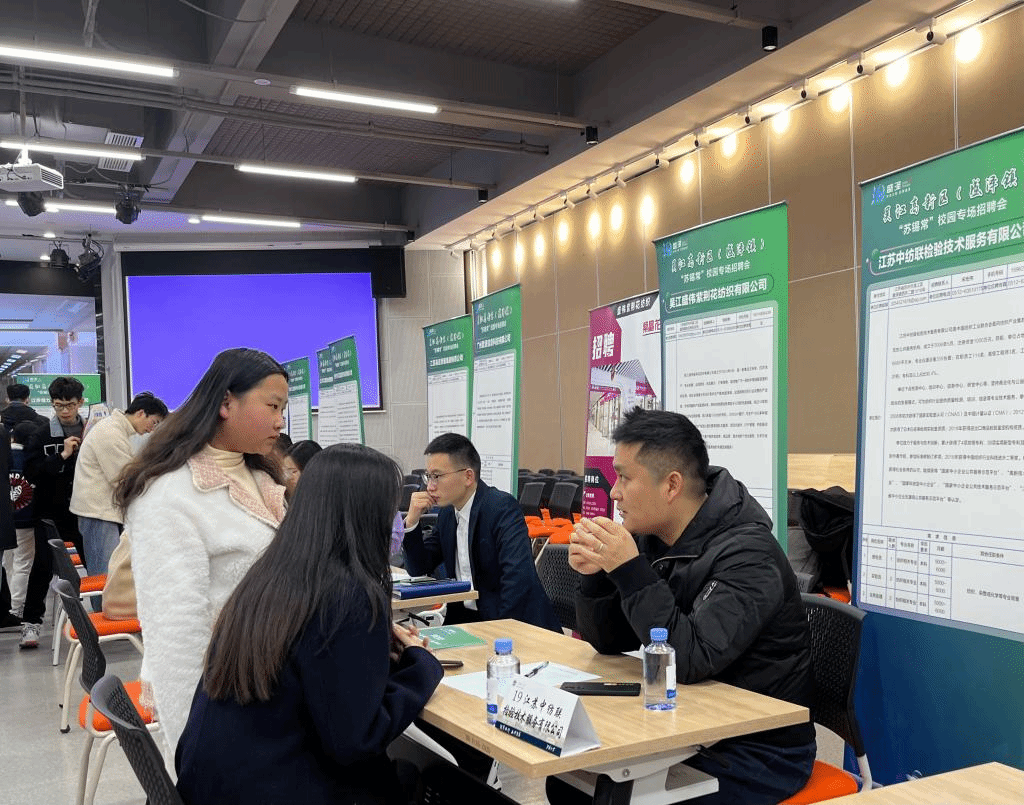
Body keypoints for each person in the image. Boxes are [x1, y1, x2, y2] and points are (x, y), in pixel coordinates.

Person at [567, 408, 816, 805]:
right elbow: (609, 641)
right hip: (682, 725)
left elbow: (690, 659)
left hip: (757, 748)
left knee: (614, 796)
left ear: (671, 485)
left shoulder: (749, 554)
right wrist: (598, 573)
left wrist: (630, 571)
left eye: (625, 478)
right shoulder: (652, 534)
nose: (614, 492)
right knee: (569, 781)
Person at [176, 443, 443, 805]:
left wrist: (375, 656)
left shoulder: (272, 573)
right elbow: (355, 740)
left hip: (215, 783)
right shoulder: (348, 596)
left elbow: (316, 677)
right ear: (366, 516)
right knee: (427, 780)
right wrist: (421, 665)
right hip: (276, 787)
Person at [115, 348, 288, 758]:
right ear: (226, 402)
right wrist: (192, 750)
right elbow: (175, 636)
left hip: (275, 687)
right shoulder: (169, 493)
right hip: (227, 702)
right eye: (273, 406)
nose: (280, 421)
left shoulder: (258, 474)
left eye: (283, 409)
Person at [402, 432, 560, 631]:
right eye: (428, 476)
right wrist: (412, 522)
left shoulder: (500, 507)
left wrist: (496, 632)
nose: (430, 486)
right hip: (465, 620)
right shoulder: (448, 515)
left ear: (468, 476)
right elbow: (418, 568)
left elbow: (518, 580)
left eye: (437, 476)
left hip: (512, 623)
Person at [70, 392, 168, 581]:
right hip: (98, 513)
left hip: (101, 511)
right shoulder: (110, 433)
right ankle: (101, 603)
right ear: (141, 413)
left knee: (108, 573)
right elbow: (124, 478)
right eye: (154, 422)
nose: (152, 430)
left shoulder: (116, 430)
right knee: (104, 576)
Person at [20, 376, 87, 649]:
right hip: (48, 511)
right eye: (58, 405)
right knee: (43, 567)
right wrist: (61, 456)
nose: (64, 411)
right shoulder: (41, 434)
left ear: (80, 402)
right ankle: (31, 623)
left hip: (82, 510)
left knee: (96, 562)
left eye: (69, 405)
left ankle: (102, 614)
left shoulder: (90, 431)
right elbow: (31, 473)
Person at [1, 423, 38, 629]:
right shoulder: (30, 457)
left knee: (7, 564)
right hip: (26, 519)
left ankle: (6, 604)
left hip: (6, 518)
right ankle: (16, 607)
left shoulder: (5, 454)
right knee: (24, 563)